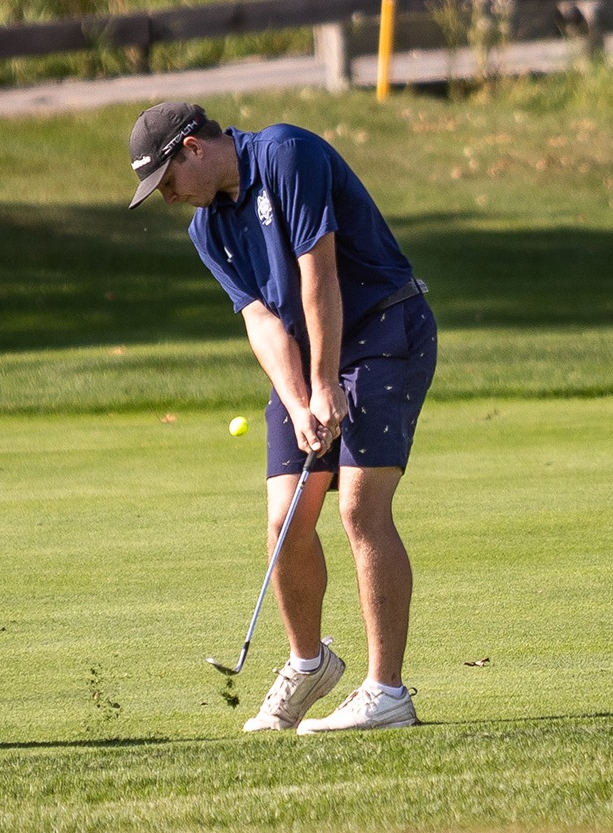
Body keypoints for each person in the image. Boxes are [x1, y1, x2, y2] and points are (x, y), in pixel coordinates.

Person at [126, 101, 437, 734]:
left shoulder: (286, 154)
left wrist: (326, 383)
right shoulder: (205, 229)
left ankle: (387, 691)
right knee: (285, 516)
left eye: (167, 182)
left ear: (192, 148)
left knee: (358, 507)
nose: (169, 198)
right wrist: (300, 402)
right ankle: (310, 663)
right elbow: (261, 320)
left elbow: (317, 272)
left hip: (384, 329)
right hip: (304, 356)